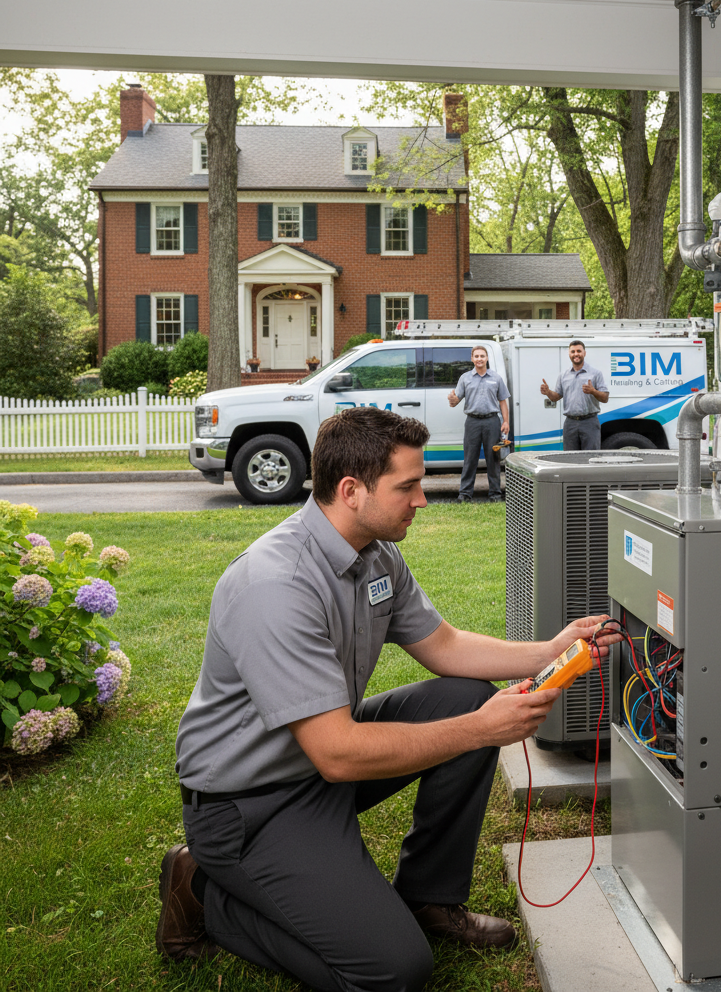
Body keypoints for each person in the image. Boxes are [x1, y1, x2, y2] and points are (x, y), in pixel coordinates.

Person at [156, 406, 620, 992]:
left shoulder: (376, 553)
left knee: (464, 696)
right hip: (250, 804)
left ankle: (429, 899)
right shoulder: (273, 586)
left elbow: (444, 646)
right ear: (351, 491)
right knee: (392, 970)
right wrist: (484, 729)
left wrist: (550, 651)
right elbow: (337, 754)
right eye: (407, 486)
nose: (422, 499)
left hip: (316, 768)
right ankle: (201, 890)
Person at [447, 345, 509, 503]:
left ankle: (495, 494)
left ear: (487, 358)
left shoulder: (496, 378)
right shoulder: (465, 378)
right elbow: (455, 402)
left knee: (493, 459)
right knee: (470, 459)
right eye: (476, 356)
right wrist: (451, 399)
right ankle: (465, 494)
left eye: (482, 356)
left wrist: (506, 421)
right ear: (472, 359)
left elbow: (503, 401)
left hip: (492, 421)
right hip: (472, 422)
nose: (479, 359)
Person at [539, 340, 609, 451]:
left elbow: (605, 398)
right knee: (569, 459)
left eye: (579, 351)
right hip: (570, 423)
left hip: (589, 422)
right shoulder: (563, 375)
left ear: (584, 353)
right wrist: (548, 392)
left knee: (591, 458)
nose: (576, 354)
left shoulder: (595, 373)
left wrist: (593, 391)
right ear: (569, 354)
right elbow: (556, 397)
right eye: (573, 351)